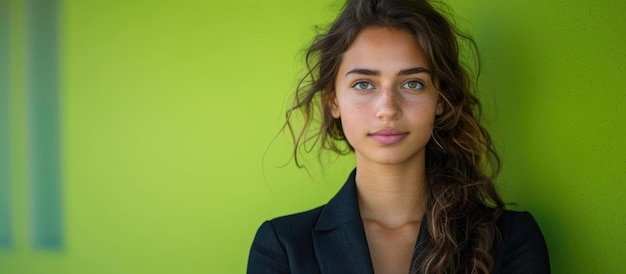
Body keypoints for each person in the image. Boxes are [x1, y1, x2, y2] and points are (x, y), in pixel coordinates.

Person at [248, 0, 550, 273]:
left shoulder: (511, 239)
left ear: (441, 100)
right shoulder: (283, 247)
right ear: (334, 101)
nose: (388, 109)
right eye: (364, 84)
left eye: (413, 84)